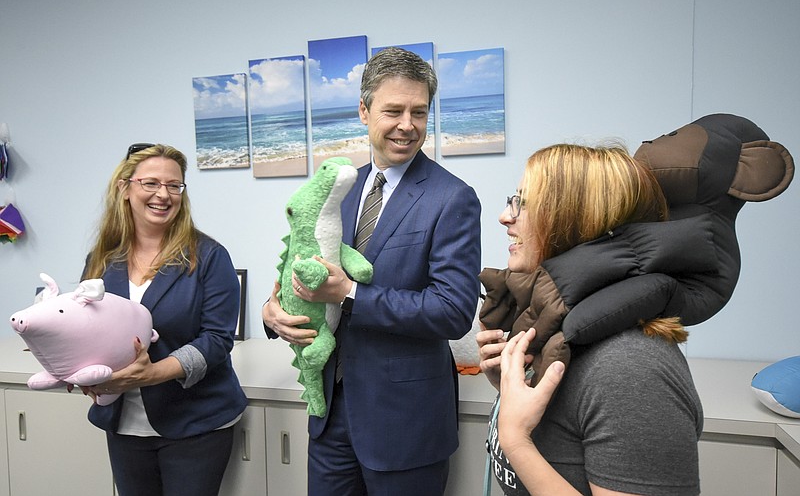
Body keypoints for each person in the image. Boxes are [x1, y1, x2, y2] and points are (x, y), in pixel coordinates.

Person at [262, 47, 482, 495]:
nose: (407, 124)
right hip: (329, 417)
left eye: (419, 112)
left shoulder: (452, 198)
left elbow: (453, 311)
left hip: (405, 424)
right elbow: (299, 268)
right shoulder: (338, 188)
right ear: (364, 112)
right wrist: (272, 312)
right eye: (394, 110)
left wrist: (350, 295)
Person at [477, 143, 704, 495]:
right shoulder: (558, 337)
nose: (505, 216)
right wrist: (508, 385)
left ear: (575, 222)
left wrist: (516, 441)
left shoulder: (631, 369)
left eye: (523, 202)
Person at [80, 143, 247, 496]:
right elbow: (85, 330)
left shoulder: (209, 257)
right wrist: (82, 374)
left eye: (174, 185)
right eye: (151, 183)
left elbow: (217, 340)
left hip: (196, 423)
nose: (164, 194)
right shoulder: (102, 259)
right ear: (125, 189)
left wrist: (153, 373)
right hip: (124, 425)